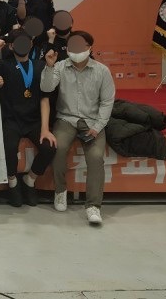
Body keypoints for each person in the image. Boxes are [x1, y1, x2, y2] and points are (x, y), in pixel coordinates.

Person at [0, 31, 57, 207]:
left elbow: (45, 98)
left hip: (34, 121)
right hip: (10, 119)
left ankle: (29, 181)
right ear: (11, 46)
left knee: (49, 148)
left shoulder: (40, 65)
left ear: (31, 44)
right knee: (8, 148)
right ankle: (12, 183)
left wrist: (45, 129)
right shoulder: (3, 65)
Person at [40, 31, 115, 225]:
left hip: (92, 121)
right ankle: (60, 191)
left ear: (90, 47)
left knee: (96, 157)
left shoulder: (102, 71)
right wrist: (49, 66)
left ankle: (93, 206)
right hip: (66, 119)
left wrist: (97, 127)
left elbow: (107, 102)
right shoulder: (60, 66)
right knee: (57, 148)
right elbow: (46, 88)